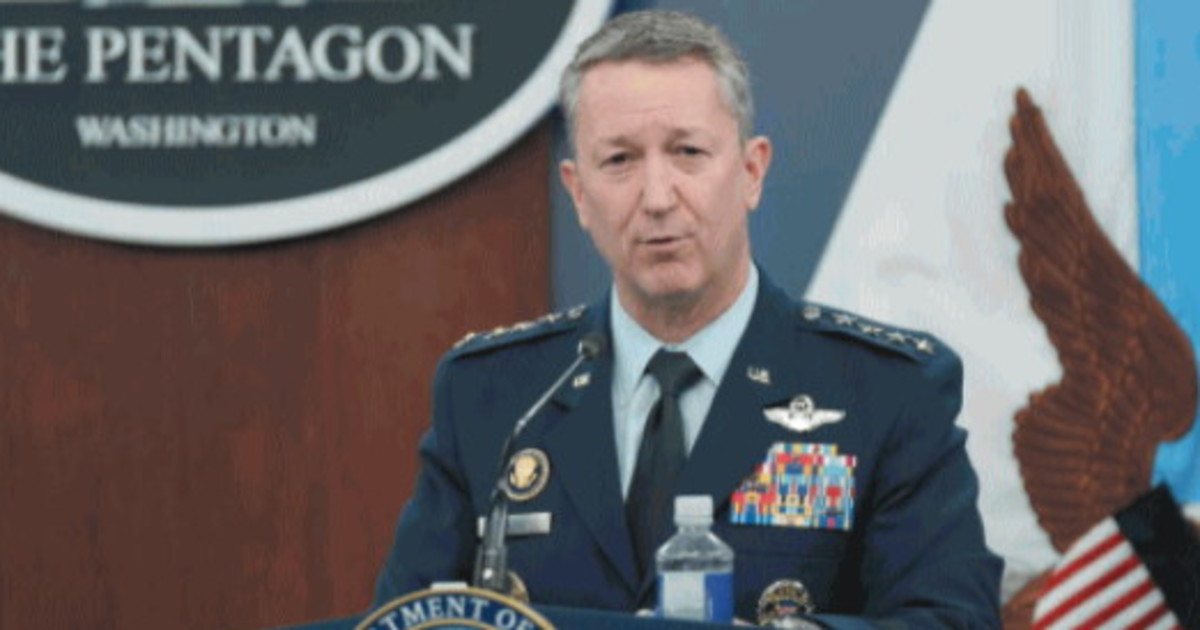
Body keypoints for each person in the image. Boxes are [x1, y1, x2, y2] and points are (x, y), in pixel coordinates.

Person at [374, 10, 1002, 628]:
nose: (656, 197)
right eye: (619, 161)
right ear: (579, 193)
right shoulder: (494, 396)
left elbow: (952, 621)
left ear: (751, 172)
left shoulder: (885, 390)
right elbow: (404, 621)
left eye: (688, 152)